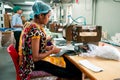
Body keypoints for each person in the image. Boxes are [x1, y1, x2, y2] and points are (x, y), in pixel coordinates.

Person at [18, 1, 82, 80]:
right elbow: (35, 57)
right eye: (48, 16)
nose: (48, 19)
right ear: (41, 15)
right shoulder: (35, 31)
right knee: (73, 71)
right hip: (33, 64)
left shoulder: (30, 25)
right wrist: (51, 51)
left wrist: (47, 48)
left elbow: (32, 47)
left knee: (67, 63)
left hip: (29, 61)